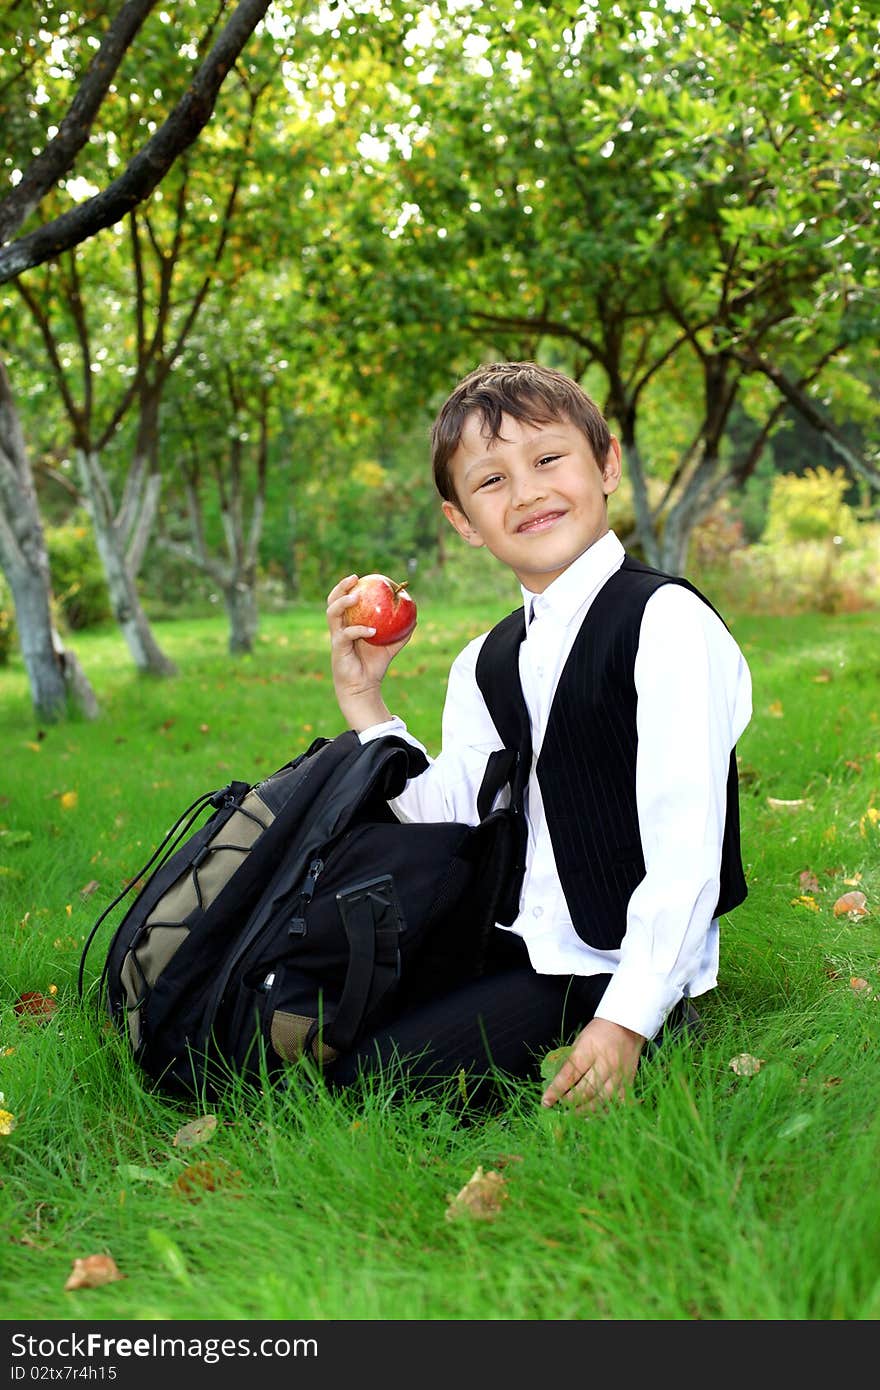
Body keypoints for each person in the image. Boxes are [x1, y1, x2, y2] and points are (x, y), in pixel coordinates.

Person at [325, 361, 752, 1113]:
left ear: (608, 463)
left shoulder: (665, 623)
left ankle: (657, 1027)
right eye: (491, 482)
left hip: (615, 966)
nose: (526, 492)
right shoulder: (487, 659)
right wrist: (365, 697)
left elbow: (688, 853)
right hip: (523, 942)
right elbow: (449, 815)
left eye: (549, 459)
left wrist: (625, 1020)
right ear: (463, 522)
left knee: (380, 1089)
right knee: (342, 1025)